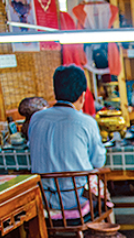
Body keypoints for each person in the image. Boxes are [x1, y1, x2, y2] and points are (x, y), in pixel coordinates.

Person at [28, 65, 106, 211]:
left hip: (42, 199)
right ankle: (107, 231)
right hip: (76, 200)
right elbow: (98, 161)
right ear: (83, 96)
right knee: (104, 196)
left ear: (55, 91)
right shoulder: (86, 122)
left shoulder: (36, 118)